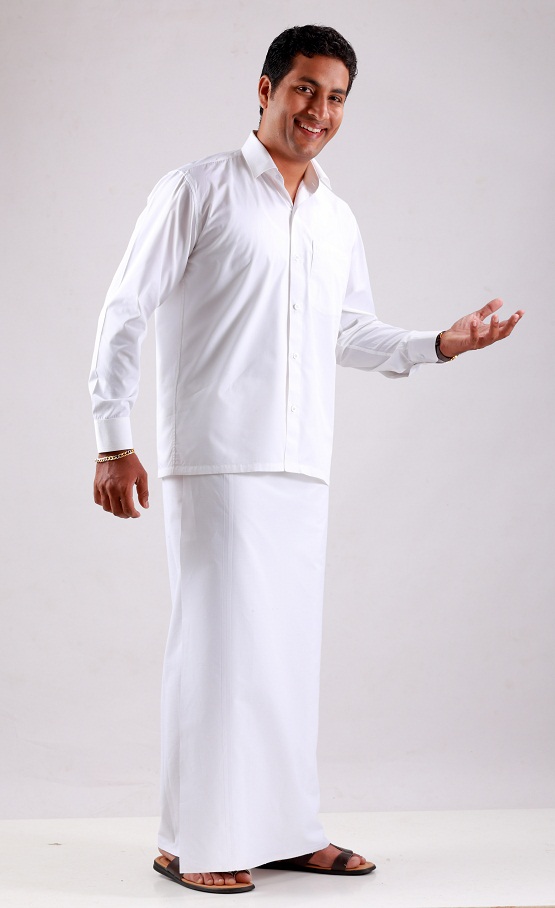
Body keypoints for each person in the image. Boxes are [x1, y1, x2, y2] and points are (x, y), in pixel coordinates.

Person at [89, 24, 524, 895]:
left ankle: (287, 830)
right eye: (304, 89)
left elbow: (346, 330)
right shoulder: (198, 189)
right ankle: (191, 840)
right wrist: (112, 438)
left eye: (334, 97)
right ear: (266, 89)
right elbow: (125, 310)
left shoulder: (334, 216)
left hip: (300, 462)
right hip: (216, 456)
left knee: (284, 658)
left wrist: (440, 343)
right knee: (217, 654)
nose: (318, 110)